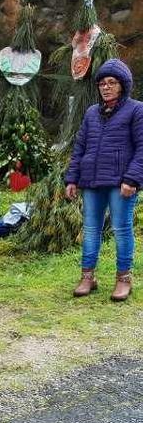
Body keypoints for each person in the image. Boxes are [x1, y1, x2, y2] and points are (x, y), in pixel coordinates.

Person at [65, 58, 143, 301]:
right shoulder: (91, 113)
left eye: (112, 82)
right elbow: (80, 147)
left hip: (122, 183)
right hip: (91, 182)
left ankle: (123, 279)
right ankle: (88, 277)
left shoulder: (136, 109)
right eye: (102, 83)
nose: (106, 87)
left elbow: (142, 148)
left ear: (122, 85)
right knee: (90, 230)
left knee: (121, 230)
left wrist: (132, 178)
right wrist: (72, 178)